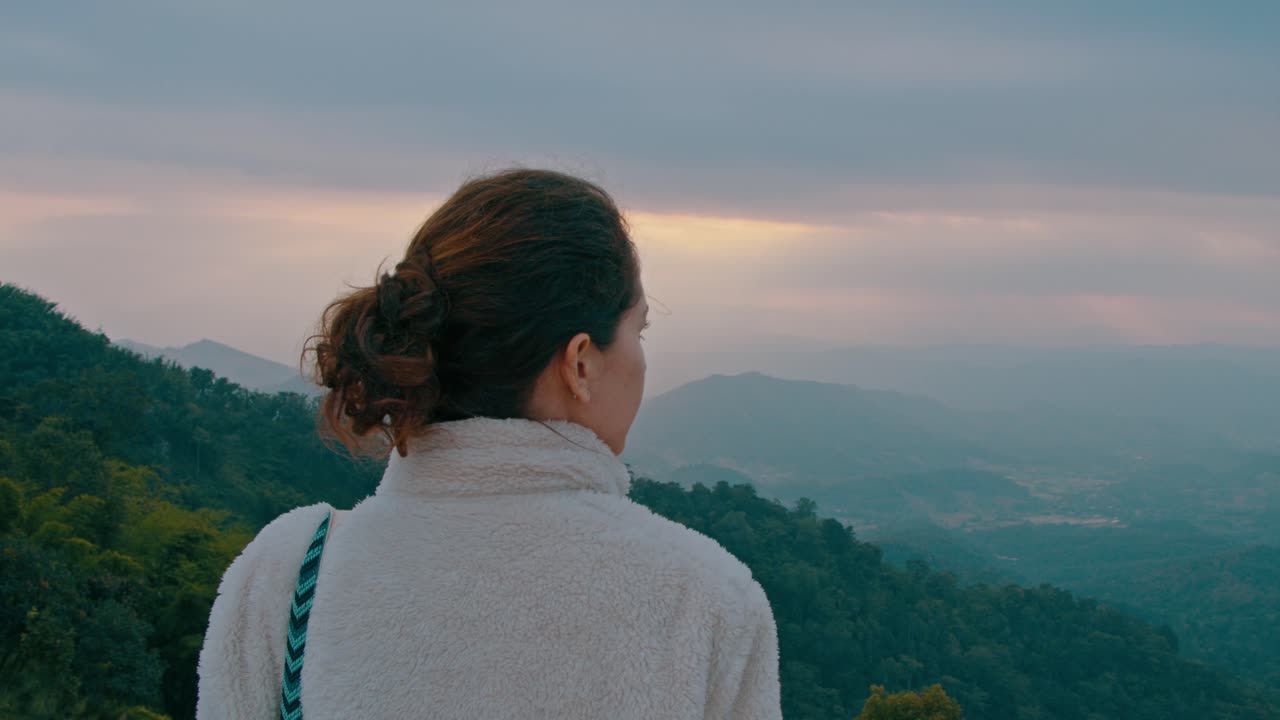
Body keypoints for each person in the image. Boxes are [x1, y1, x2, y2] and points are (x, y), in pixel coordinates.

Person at [196, 169, 782, 719]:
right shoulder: (706, 601)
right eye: (639, 330)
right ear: (579, 363)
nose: (642, 357)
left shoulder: (291, 576)